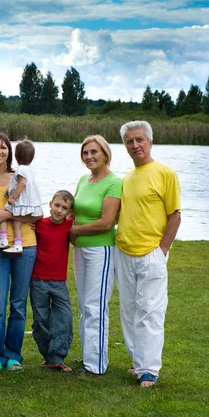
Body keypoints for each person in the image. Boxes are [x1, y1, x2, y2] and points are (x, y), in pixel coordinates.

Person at [115, 120, 181, 388]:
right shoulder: (126, 178)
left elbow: (174, 216)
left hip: (151, 253)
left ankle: (150, 371)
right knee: (129, 311)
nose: (135, 145)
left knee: (151, 311)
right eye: (130, 141)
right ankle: (138, 362)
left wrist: (162, 250)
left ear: (150, 142)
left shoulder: (165, 173)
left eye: (140, 140)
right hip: (124, 251)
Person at [0, 131, 40, 371]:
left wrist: (9, 214)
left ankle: (13, 354)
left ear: (9, 151)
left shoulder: (21, 175)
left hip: (25, 246)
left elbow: (38, 213)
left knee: (18, 303)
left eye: (3, 147)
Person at [70, 136, 122, 375]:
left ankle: (96, 365)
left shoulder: (114, 182)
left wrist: (75, 231)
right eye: (85, 153)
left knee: (95, 306)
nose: (89, 157)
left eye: (94, 152)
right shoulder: (83, 179)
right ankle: (88, 357)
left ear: (105, 153)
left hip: (101, 250)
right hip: (80, 250)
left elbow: (107, 222)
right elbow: (72, 211)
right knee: (84, 305)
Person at [30, 190, 75, 372]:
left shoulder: (70, 225)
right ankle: (49, 356)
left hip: (58, 282)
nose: (59, 210)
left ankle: (58, 355)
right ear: (50, 204)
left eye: (64, 208)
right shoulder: (39, 224)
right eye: (57, 205)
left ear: (69, 212)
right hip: (38, 280)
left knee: (64, 318)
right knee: (41, 319)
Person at [0, 139, 42, 254]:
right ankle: (18, 245)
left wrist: (12, 197)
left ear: (16, 156)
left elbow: (21, 184)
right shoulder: (31, 171)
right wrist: (9, 191)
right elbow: (20, 185)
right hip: (31, 203)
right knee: (17, 222)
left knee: (2, 212)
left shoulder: (21, 169)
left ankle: (3, 238)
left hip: (21, 203)